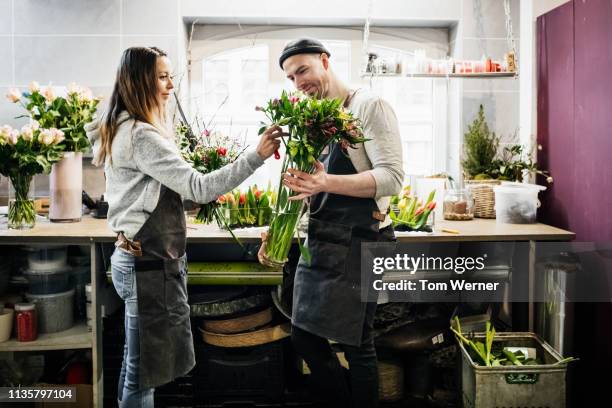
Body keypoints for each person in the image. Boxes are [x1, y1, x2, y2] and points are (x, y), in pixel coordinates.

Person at [86, 46, 282, 407]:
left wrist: (197, 197)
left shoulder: (124, 126)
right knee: (144, 373)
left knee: (138, 365)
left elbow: (159, 191)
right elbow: (199, 186)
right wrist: (256, 156)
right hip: (148, 267)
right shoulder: (143, 135)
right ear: (140, 80)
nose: (170, 85)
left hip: (138, 259)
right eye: (162, 76)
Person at [268, 38, 404, 408]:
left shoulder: (369, 106)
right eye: (291, 77)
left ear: (325, 61)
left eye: (303, 70)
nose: (298, 83)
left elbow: (391, 177)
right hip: (324, 239)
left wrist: (326, 182)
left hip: (361, 240)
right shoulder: (314, 116)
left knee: (357, 344)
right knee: (303, 336)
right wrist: (277, 229)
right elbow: (307, 186)